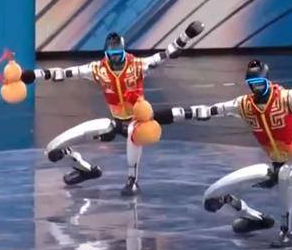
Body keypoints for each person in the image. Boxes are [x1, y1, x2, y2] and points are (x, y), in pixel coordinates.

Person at [189, 45, 292, 248]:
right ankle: (256, 218)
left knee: (285, 173)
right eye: (252, 83)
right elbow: (212, 110)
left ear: (267, 81)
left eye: (260, 83)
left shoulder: (285, 98)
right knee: (211, 197)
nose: (256, 87)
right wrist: (170, 115)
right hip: (274, 165)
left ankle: (286, 231)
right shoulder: (244, 105)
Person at [18, 22, 205, 195]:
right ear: (106, 55)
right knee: (53, 149)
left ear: (124, 52)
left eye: (118, 55)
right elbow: (65, 73)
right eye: (112, 56)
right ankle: (86, 170)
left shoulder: (138, 65)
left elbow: (167, 54)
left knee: (134, 130)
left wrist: (186, 36)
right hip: (115, 123)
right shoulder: (97, 69)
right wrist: (35, 74)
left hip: (138, 121)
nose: (115, 60)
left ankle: (132, 180)